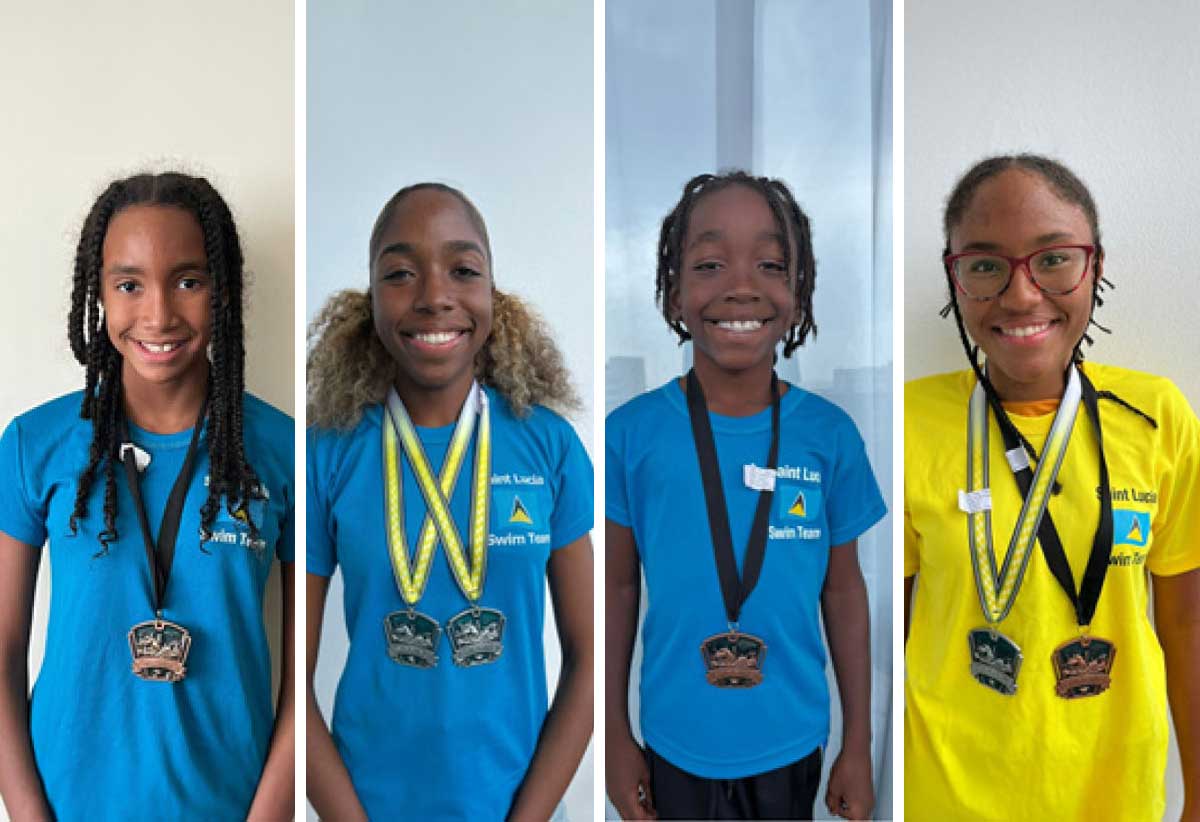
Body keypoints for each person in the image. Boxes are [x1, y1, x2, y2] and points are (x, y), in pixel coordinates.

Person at [904, 154, 1200, 820]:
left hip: (1113, 795)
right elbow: (890, 627)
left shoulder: (1160, 417)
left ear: (1095, 266)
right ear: (954, 279)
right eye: (984, 265)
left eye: (1054, 258)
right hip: (945, 795)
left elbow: (1186, 622)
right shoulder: (907, 424)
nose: (1020, 295)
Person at [0, 172, 295, 821]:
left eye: (188, 280)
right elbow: (1, 651)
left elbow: (304, 683)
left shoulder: (282, 450)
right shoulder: (34, 445)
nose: (159, 314)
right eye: (129, 284)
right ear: (98, 294)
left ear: (223, 291)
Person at [305, 182, 594, 821]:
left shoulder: (549, 446)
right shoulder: (327, 451)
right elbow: (290, 682)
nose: (435, 296)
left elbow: (589, 659)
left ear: (493, 292)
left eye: (463, 270)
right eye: (401, 273)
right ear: (369, 299)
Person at [606, 171, 886, 820]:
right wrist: (615, 735)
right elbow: (618, 588)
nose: (740, 285)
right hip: (673, 743)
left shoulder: (829, 436)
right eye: (708, 263)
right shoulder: (631, 435)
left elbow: (844, 590)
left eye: (769, 263)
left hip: (793, 743)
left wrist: (858, 746)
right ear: (673, 294)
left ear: (798, 289)